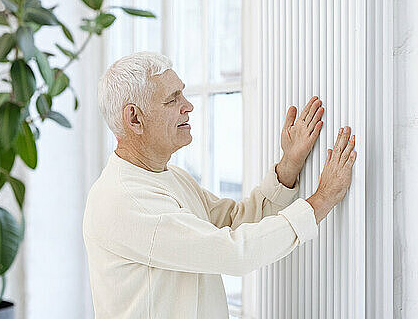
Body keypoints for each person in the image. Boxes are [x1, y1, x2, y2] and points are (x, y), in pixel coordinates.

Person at [82, 52, 357, 319]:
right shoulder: (124, 200)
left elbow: (235, 222)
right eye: (172, 99)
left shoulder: (172, 177)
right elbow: (233, 252)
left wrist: (289, 165)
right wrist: (322, 200)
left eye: (183, 93)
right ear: (135, 119)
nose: (188, 105)